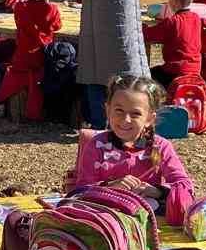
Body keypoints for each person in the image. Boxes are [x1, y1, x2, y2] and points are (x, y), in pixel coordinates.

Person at [63, 74, 197, 226]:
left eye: (135, 114)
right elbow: (81, 191)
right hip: (106, 221)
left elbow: (184, 185)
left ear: (149, 119)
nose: (126, 119)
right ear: (108, 110)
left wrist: (157, 191)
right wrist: (110, 188)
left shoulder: (161, 147)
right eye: (119, 110)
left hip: (149, 223)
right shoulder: (96, 145)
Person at [0, 0, 62, 121]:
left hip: (22, 55)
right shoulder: (52, 9)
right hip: (42, 55)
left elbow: (20, 21)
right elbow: (57, 26)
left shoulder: (20, 7)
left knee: (12, 73)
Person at [143, 0, 203, 89]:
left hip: (175, 71)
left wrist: (142, 26)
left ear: (174, 0)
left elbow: (147, 35)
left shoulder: (172, 22)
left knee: (146, 76)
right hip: (195, 71)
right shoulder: (196, 18)